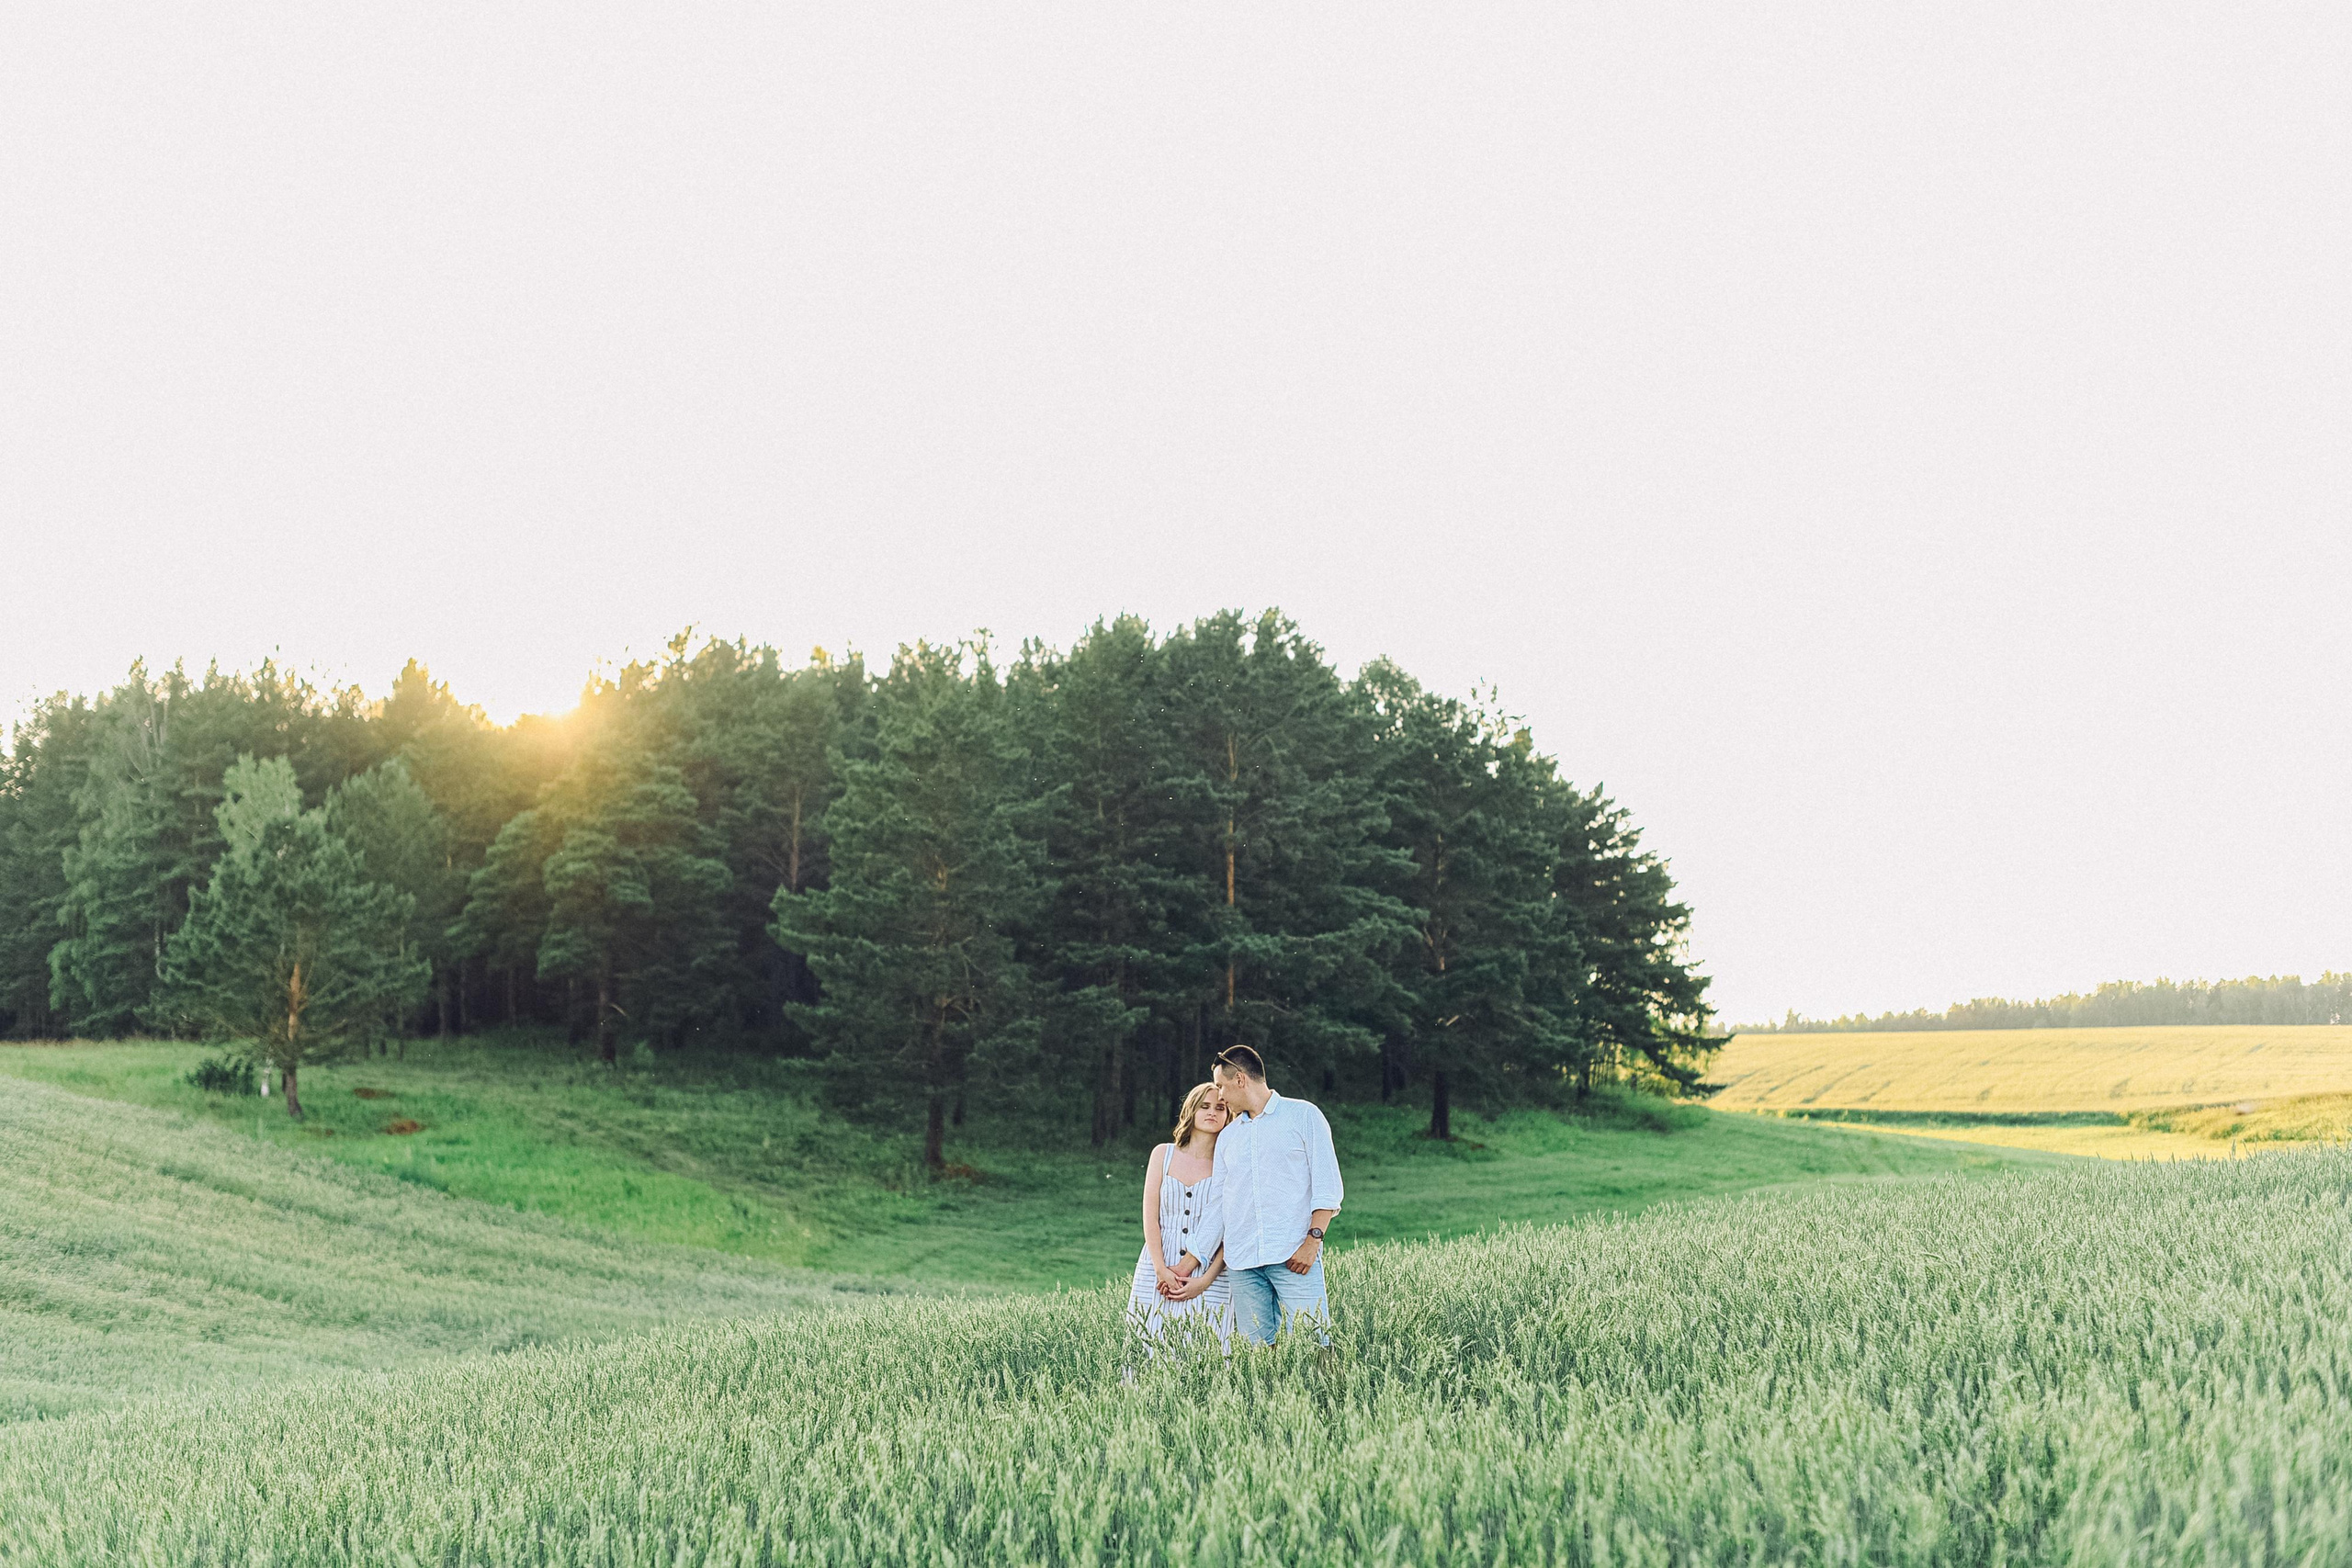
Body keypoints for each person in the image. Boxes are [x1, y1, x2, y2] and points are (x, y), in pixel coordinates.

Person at [1193, 1043, 1342, 1346]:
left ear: (1240, 1080)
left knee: (1316, 1342)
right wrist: (1189, 1262)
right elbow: (1218, 1206)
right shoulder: (1228, 1138)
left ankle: (1328, 1393)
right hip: (1243, 1264)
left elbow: (1327, 1186)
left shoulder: (1303, 1116)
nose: (1219, 1096)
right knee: (1258, 1353)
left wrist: (1313, 1242)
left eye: (1221, 1086)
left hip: (1294, 1256)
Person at [1125, 1081, 1234, 1345]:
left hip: (1212, 1271)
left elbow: (1231, 1231)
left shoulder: (1230, 1164)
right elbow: (1151, 1217)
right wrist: (1160, 1269)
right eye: (1204, 1106)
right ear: (1191, 1111)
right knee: (1148, 1340)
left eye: (1220, 1107)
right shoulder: (1162, 1154)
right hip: (1160, 1262)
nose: (1212, 1112)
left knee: (1205, 1348)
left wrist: (1205, 1281)